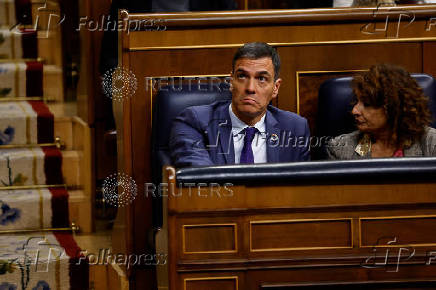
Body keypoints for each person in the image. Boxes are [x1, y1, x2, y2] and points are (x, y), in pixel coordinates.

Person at [169, 42, 310, 167]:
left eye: (261, 78)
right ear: (231, 82)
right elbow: (202, 177)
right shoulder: (194, 122)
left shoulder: (295, 128)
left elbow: (302, 188)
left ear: (275, 88)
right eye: (242, 76)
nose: (250, 88)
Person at [327, 64, 436, 159]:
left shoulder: (431, 144)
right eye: (356, 101)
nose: (354, 110)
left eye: (367, 104)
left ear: (393, 108)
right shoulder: (340, 149)